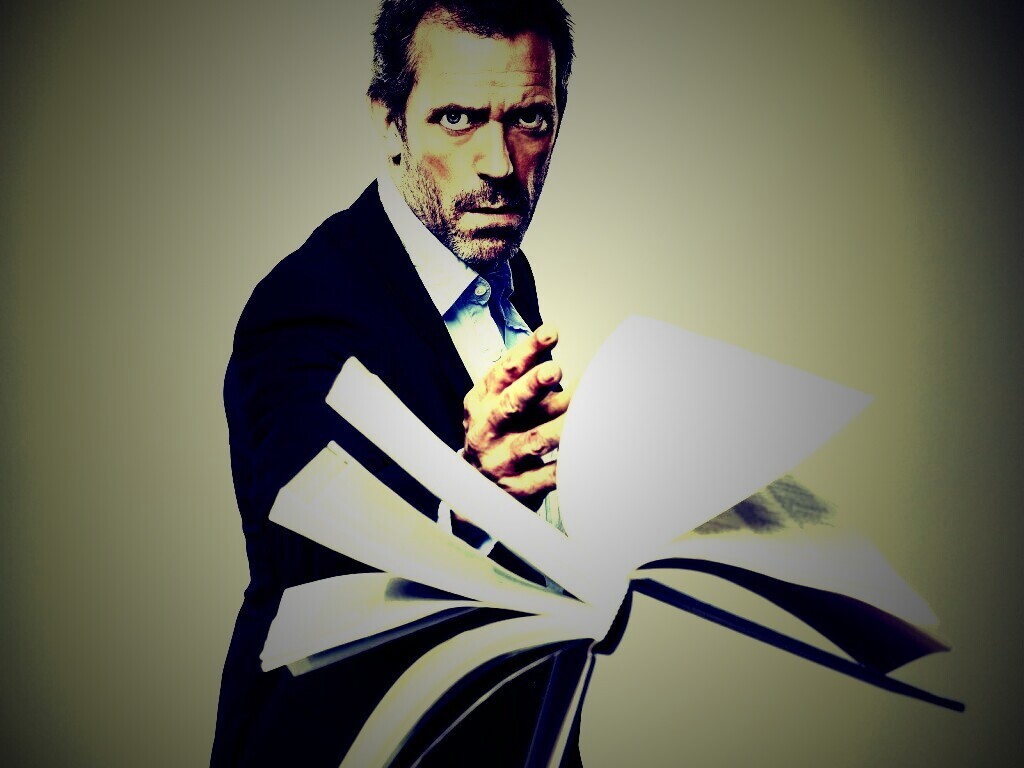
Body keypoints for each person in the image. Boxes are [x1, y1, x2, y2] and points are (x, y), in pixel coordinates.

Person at [211, 1, 582, 765]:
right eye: (457, 118)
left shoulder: (502, 274)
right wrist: (471, 498)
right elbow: (316, 566)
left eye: (529, 120)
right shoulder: (302, 307)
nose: (498, 163)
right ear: (391, 123)